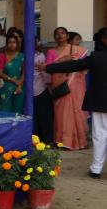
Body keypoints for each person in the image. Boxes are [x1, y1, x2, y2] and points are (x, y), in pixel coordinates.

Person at [40, 27, 107, 178]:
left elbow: (73, 66)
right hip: (100, 102)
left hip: (100, 102)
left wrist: (48, 67)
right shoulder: (96, 56)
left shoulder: (96, 57)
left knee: (100, 136)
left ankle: (96, 169)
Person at [46, 26, 89, 149]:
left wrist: (73, 63)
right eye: (57, 34)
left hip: (75, 85)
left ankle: (80, 142)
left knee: (77, 111)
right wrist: (62, 60)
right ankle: (62, 142)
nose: (60, 36)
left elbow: (85, 67)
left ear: (67, 36)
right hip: (60, 86)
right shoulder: (51, 52)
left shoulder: (77, 50)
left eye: (62, 33)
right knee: (61, 114)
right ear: (54, 37)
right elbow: (48, 68)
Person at [0, 33, 25, 113]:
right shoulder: (2, 56)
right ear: (6, 44)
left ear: (17, 44)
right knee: (4, 112)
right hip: (4, 87)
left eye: (14, 42)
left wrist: (19, 85)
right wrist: (12, 80)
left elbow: (24, 73)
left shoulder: (21, 56)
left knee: (17, 112)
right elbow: (0, 73)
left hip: (19, 87)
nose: (12, 45)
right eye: (9, 42)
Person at [33, 37, 54, 144]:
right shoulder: (24, 56)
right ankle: (41, 139)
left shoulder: (40, 55)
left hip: (40, 88)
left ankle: (45, 139)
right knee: (40, 116)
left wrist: (48, 84)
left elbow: (44, 72)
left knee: (42, 115)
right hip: (35, 88)